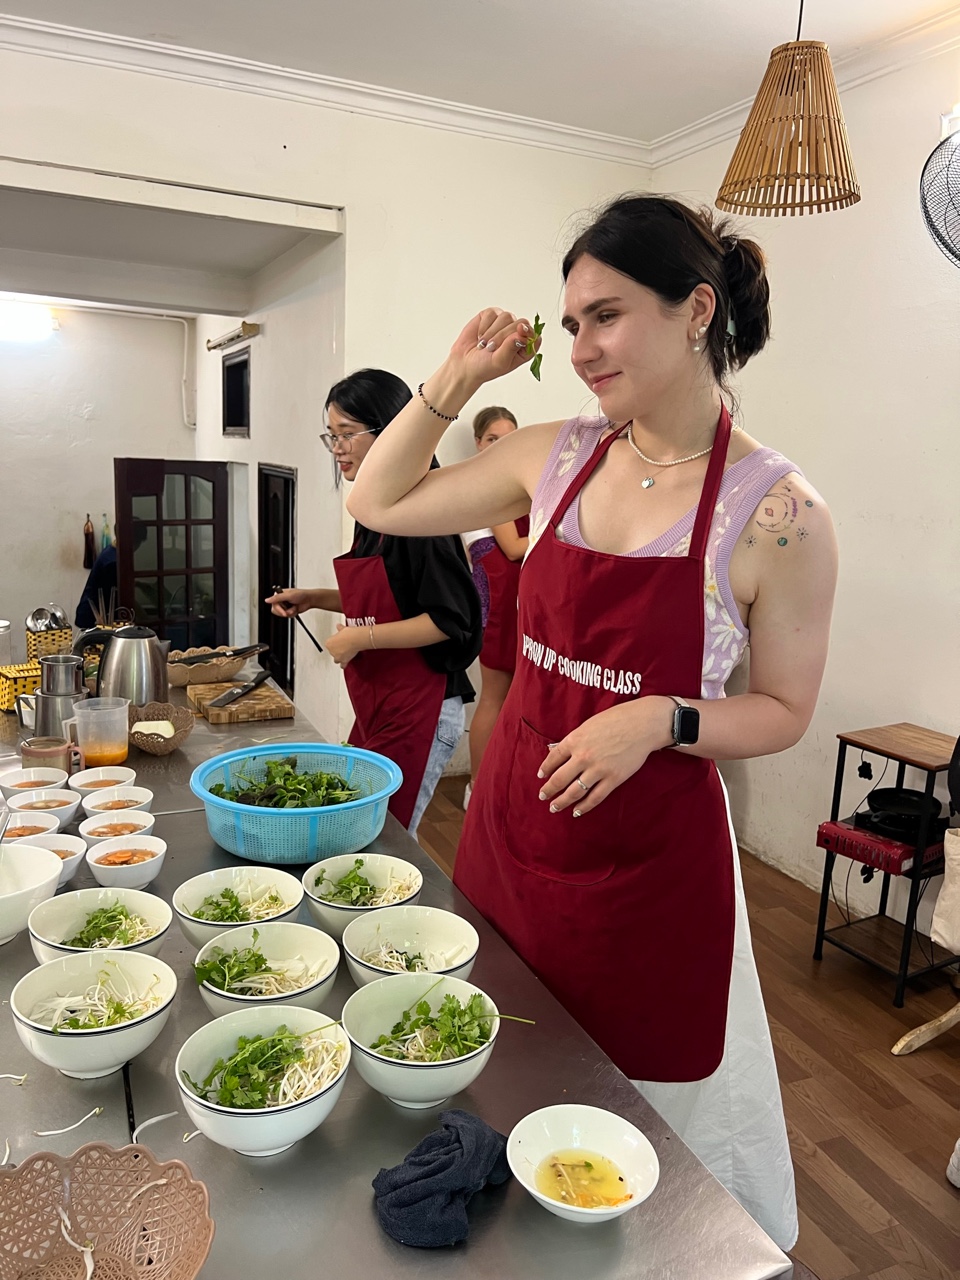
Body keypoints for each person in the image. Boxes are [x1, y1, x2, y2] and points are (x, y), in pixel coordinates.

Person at [347, 195, 839, 1249]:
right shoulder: (555, 456)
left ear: (697, 310)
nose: (580, 348)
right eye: (571, 323)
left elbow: (785, 710)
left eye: (606, 316)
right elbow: (377, 501)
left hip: (647, 867)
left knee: (634, 1134)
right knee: (495, 1065)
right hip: (514, 833)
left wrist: (661, 719)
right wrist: (454, 380)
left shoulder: (779, 513)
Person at [266, 368, 482, 836]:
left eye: (347, 434)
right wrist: (314, 598)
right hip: (383, 705)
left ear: (390, 431)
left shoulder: (423, 512)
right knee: (357, 827)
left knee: (384, 840)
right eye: (332, 436)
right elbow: (392, 600)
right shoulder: (375, 505)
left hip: (422, 706)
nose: (337, 448)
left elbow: (451, 619)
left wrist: (359, 640)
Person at [462, 406, 529, 808]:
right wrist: (556, 525)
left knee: (508, 699)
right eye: (493, 439)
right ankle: (479, 788)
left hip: (511, 601)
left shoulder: (505, 483)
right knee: (495, 696)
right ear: (478, 442)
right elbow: (513, 547)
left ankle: (495, 787)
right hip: (500, 604)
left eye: (510, 438)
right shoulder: (490, 486)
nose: (503, 446)